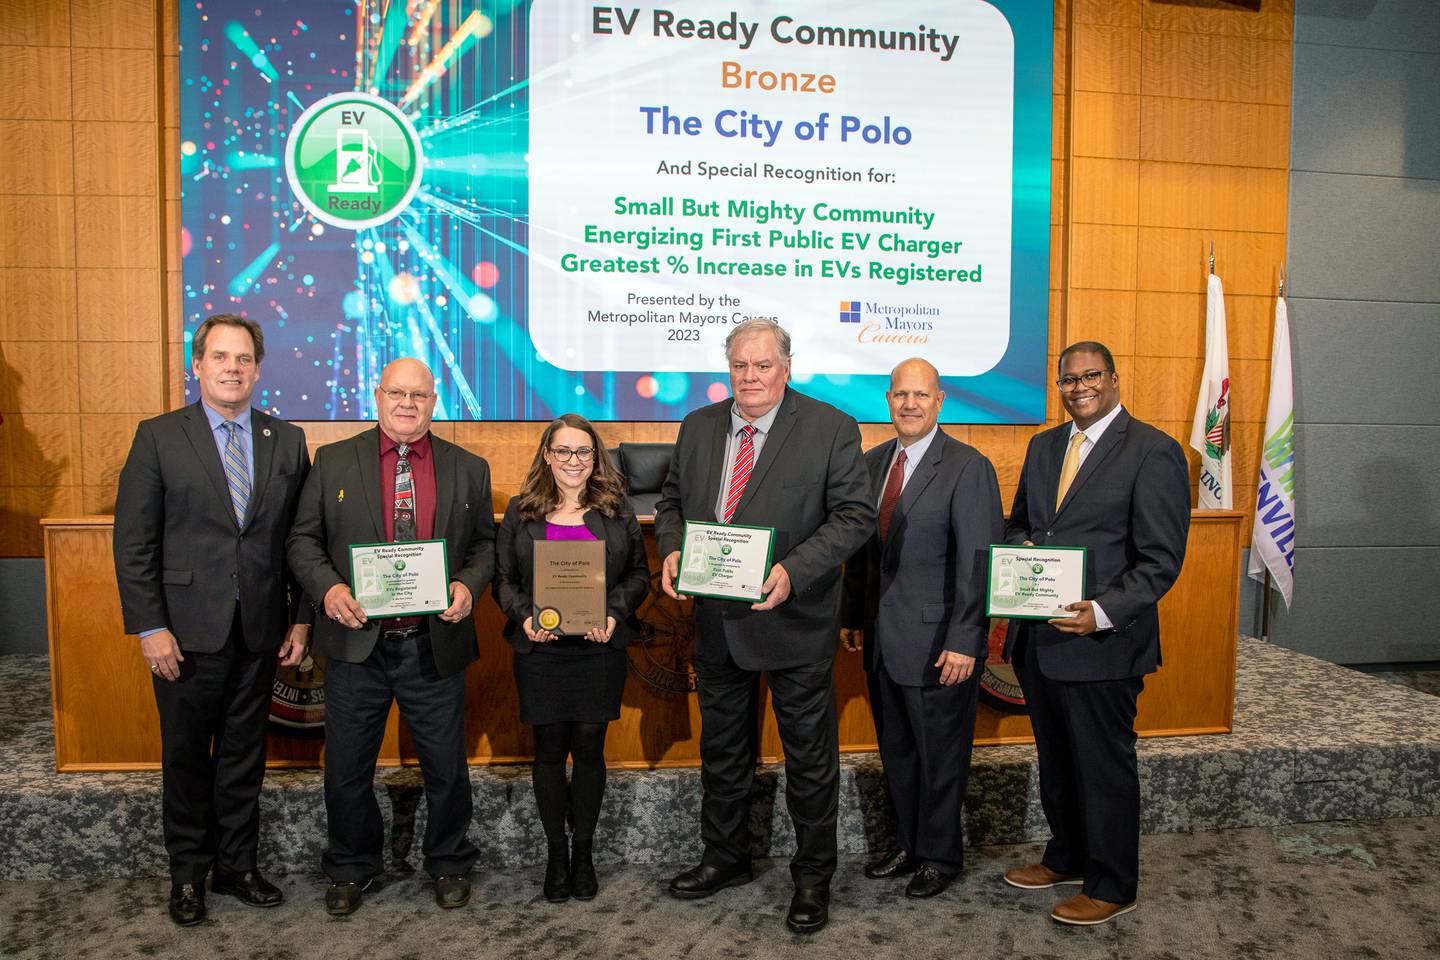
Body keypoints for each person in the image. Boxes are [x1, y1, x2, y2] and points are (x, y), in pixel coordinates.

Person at [654, 319, 875, 934]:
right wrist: (672, 549)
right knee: (722, 751)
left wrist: (793, 571)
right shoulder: (700, 426)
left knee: (809, 758)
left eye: (762, 366)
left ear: (786, 367)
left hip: (794, 620)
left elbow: (855, 516)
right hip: (717, 622)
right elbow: (670, 503)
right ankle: (724, 857)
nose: (749, 378)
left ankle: (812, 878)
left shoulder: (831, 427)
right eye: (739, 366)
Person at [113, 314, 312, 926]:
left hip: (259, 632)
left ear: (258, 367)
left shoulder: (286, 440)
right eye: (220, 357)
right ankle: (188, 875)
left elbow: (299, 541)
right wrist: (150, 627)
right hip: (182, 635)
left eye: (244, 358)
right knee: (187, 758)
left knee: (242, 758)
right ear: (195, 365)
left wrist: (300, 621)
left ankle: (237, 865)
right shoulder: (158, 437)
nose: (233, 368)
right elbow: (134, 543)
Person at [285, 358, 495, 915]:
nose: (408, 403)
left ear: (435, 401)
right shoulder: (332, 461)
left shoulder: (469, 467)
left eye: (420, 395)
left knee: (445, 766)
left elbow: (484, 547)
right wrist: (328, 590)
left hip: (433, 642)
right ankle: (352, 866)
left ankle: (449, 860)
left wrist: (469, 586)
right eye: (397, 393)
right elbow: (303, 541)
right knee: (348, 766)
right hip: (357, 643)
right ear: (377, 395)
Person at [1001, 341, 1190, 925]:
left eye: (1090, 376)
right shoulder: (1044, 446)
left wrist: (1103, 611)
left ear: (1113, 378)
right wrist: (1018, 551)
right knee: (1058, 762)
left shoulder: (1153, 451)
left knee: (1103, 767)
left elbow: (1161, 558)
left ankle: (1112, 884)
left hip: (1104, 643)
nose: (1079, 386)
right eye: (1067, 379)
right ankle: (1067, 857)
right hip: (1041, 640)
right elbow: (1021, 525)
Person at [839, 358, 1002, 899]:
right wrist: (852, 616)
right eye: (900, 395)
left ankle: (941, 856)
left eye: (921, 395)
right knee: (900, 753)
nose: (909, 404)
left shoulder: (967, 465)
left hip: (939, 643)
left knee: (939, 757)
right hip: (884, 641)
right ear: (888, 400)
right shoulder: (872, 462)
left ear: (939, 402)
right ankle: (911, 845)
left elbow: (981, 561)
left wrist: (965, 639)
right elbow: (865, 553)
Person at [493, 414, 649, 902]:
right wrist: (526, 616)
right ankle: (555, 855)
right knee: (547, 750)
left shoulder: (617, 511)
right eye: (563, 451)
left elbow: (639, 576)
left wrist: (614, 613)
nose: (573, 461)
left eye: (583, 452)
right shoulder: (521, 511)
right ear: (547, 455)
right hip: (542, 650)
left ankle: (583, 854)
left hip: (598, 650)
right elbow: (504, 582)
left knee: (588, 751)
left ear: (595, 457)